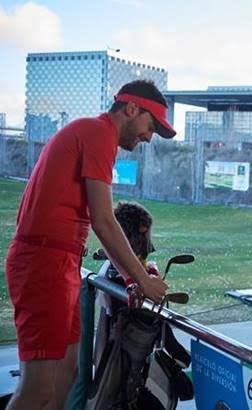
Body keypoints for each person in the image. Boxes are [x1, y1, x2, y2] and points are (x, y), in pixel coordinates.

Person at [4, 79, 175, 410]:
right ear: (131, 109)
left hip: (60, 263)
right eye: (150, 125)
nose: (148, 136)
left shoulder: (96, 135)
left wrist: (128, 278)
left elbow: (100, 223)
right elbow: (104, 220)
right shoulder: (98, 133)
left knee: (66, 375)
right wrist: (143, 279)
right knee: (38, 389)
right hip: (44, 263)